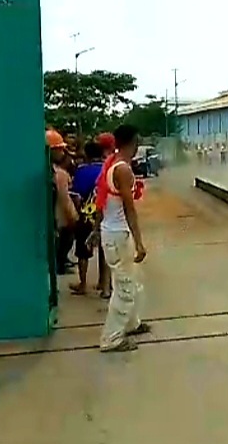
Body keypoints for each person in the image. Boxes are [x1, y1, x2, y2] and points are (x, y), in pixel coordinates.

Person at [97, 124, 149, 352]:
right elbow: (129, 209)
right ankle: (112, 338)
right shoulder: (123, 170)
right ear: (134, 142)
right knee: (125, 289)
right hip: (119, 235)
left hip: (111, 232)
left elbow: (102, 204)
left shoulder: (112, 164)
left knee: (132, 281)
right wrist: (139, 242)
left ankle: (132, 323)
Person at [69, 141, 111, 298]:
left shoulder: (81, 171)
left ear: (86, 154)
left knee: (82, 251)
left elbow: (76, 196)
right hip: (105, 215)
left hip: (86, 216)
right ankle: (104, 284)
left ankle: (83, 284)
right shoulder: (107, 169)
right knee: (104, 250)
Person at [48, 130, 79, 275]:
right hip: (56, 220)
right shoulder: (58, 174)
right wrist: (74, 217)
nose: (63, 152)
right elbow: (65, 200)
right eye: (60, 149)